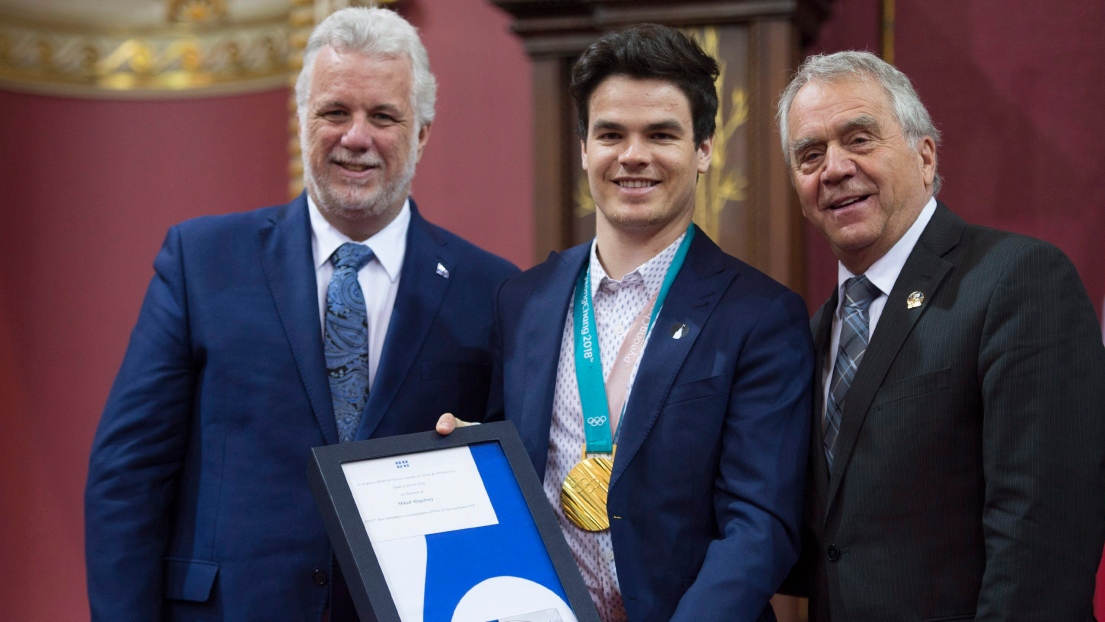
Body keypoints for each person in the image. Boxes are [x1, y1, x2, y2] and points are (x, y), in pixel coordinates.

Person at [84, 7, 517, 621]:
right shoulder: (201, 263)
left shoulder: (490, 290)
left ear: (421, 133)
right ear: (303, 120)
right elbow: (127, 478)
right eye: (335, 112)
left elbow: (508, 494)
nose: (356, 137)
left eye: (383, 116)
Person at [441, 24, 813, 622]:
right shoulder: (523, 302)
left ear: (704, 150)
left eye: (661, 134)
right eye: (611, 134)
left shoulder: (761, 316)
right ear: (584, 147)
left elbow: (759, 525)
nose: (633, 155)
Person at [776, 50, 1105, 620]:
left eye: (859, 139)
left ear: (924, 156)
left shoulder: (1018, 281)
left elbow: (1043, 543)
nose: (833, 168)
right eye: (810, 154)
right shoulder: (812, 334)